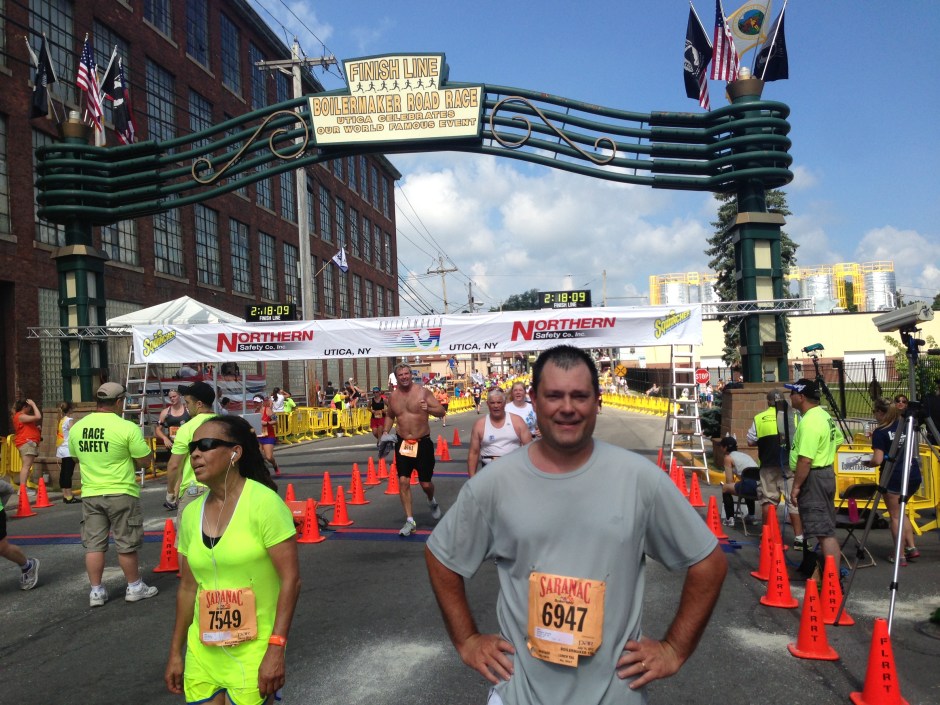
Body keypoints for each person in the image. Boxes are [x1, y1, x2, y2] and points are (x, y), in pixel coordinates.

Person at [425, 346, 726, 705]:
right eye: (554, 396)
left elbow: (709, 562)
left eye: (580, 396)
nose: (567, 407)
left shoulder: (639, 479)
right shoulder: (494, 484)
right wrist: (467, 640)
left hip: (613, 695)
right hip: (520, 694)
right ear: (534, 401)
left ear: (597, 401)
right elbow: (442, 557)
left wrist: (674, 648)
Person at [164, 415, 300, 705]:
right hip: (203, 653)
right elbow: (188, 588)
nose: (196, 454)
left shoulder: (265, 504)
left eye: (207, 445)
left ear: (235, 453)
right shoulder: (190, 514)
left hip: (254, 650)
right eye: (192, 448)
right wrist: (176, 652)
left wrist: (276, 648)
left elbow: (291, 580)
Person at [68, 382, 158, 607]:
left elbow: (76, 457)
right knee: (126, 541)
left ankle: (96, 591)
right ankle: (134, 586)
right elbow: (145, 460)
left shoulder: (79, 427)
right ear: (119, 402)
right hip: (121, 491)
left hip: (91, 492)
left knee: (94, 544)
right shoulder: (126, 427)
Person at [785, 378, 845, 577]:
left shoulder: (810, 421)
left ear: (801, 397)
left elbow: (805, 460)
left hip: (814, 478)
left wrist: (796, 487)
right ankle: (831, 578)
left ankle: (831, 581)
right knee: (825, 530)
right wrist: (825, 454)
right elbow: (838, 439)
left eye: (792, 393)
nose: (790, 396)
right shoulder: (823, 415)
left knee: (823, 533)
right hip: (824, 474)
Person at [382, 363, 446, 536]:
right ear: (397, 377)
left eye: (406, 373)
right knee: (403, 481)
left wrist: (429, 408)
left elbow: (441, 411)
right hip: (403, 443)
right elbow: (390, 415)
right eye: (400, 374)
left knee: (425, 483)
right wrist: (385, 433)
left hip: (422, 443)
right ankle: (410, 520)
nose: (404, 377)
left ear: (411, 375)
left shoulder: (423, 392)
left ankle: (431, 500)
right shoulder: (393, 397)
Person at [863, 398, 921, 565]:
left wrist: (868, 463)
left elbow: (878, 460)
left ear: (881, 413)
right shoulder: (905, 426)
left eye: (875, 412)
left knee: (895, 516)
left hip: (894, 476)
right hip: (913, 473)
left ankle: (899, 554)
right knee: (901, 511)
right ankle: (911, 547)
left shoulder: (880, 432)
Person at [747, 390, 802, 548]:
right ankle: (799, 538)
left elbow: (750, 441)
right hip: (789, 465)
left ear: (768, 401)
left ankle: (767, 535)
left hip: (768, 465)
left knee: (768, 500)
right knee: (793, 501)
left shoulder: (759, 418)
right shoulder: (795, 416)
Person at [166, 382, 217, 523]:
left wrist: (171, 491)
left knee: (186, 541)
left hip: (195, 489)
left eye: (188, 402)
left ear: (199, 404)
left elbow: (174, 465)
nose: (186, 406)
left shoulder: (187, 428)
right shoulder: (226, 424)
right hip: (223, 488)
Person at [466, 387, 532, 477]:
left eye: (499, 402)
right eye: (492, 403)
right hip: (488, 471)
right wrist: (472, 478)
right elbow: (473, 453)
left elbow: (530, 449)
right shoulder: (479, 425)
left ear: (504, 404)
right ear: (488, 404)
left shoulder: (517, 421)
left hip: (514, 471)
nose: (496, 406)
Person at [717, 437, 759, 526]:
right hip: (760, 486)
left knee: (725, 488)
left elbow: (729, 481)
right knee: (746, 485)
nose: (720, 448)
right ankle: (751, 515)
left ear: (725, 448)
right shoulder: (745, 455)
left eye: (721, 446)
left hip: (749, 486)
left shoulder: (728, 458)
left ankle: (730, 518)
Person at [12, 397, 42, 494]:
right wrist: (34, 405)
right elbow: (38, 416)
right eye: (29, 407)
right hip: (26, 443)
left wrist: (36, 429)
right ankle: (22, 488)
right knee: (26, 466)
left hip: (29, 442)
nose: (30, 409)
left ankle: (23, 488)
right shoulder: (20, 416)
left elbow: (26, 428)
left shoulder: (22, 416)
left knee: (27, 466)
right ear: (25, 407)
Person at [56, 401, 80, 504]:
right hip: (68, 449)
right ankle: (69, 496)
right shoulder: (69, 420)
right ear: (70, 410)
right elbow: (73, 432)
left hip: (61, 448)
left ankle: (65, 495)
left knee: (63, 472)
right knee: (68, 473)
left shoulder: (61, 420)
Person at [259, 396, 281, 476]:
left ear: (261, 402)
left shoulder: (268, 410)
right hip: (258, 436)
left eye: (257, 402)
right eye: (254, 402)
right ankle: (262, 472)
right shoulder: (254, 412)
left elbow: (275, 420)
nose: (255, 404)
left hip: (268, 436)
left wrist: (267, 423)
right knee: (259, 456)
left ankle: (275, 465)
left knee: (269, 457)